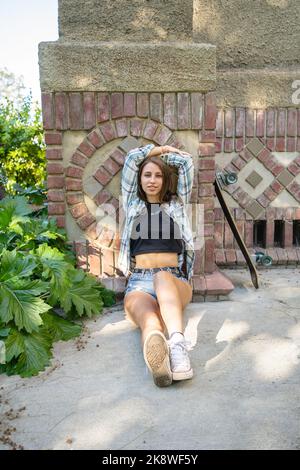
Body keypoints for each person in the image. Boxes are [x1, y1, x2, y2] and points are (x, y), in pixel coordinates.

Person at [118, 143, 195, 387]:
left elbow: (186, 163)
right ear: (139, 179)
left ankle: (178, 347)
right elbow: (132, 157)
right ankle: (159, 361)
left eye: (158, 175)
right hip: (138, 282)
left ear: (165, 180)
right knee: (149, 322)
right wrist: (158, 148)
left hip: (173, 279)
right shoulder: (132, 205)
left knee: (161, 276)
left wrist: (166, 153)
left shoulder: (176, 204)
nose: (152, 180)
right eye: (147, 174)